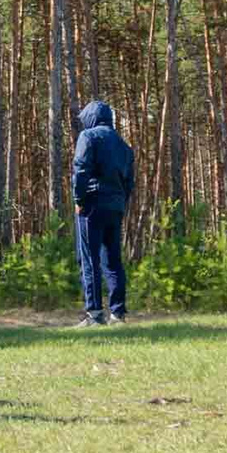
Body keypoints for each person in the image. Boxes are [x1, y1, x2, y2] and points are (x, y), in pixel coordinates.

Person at [69, 99, 135, 327]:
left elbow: (81, 169)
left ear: (91, 118)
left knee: (89, 259)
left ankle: (95, 314)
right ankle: (118, 314)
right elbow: (129, 181)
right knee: (113, 261)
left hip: (92, 205)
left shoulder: (88, 137)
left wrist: (79, 199)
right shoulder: (123, 145)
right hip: (115, 207)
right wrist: (120, 202)